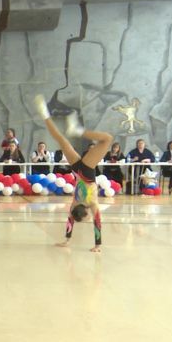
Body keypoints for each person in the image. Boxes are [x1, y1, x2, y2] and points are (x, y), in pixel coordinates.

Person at [35, 95, 112, 252]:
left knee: (107, 139)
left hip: (87, 170)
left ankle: (79, 131)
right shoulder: (75, 203)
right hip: (77, 169)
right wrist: (67, 240)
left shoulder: (91, 203)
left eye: (86, 217)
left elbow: (97, 223)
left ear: (85, 212)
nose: (89, 218)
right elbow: (70, 220)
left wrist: (98, 245)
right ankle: (44, 114)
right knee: (61, 139)